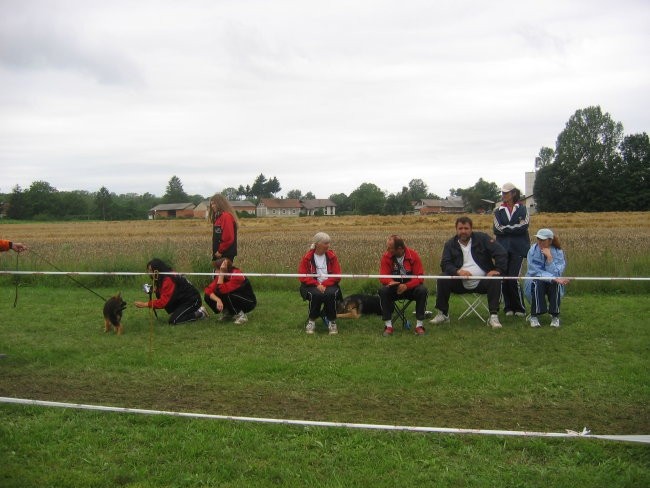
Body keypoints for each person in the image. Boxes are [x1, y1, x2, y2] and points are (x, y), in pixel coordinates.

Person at [430, 216, 507, 328]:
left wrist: (497, 270)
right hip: (459, 282)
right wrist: (458, 272)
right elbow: (445, 264)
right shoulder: (450, 244)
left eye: (466, 228)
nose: (463, 231)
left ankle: (493, 316)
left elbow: (501, 252)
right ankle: (443, 314)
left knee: (495, 279)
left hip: (483, 281)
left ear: (471, 229)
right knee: (443, 278)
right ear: (456, 229)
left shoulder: (483, 239)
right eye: (460, 228)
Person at [378, 235, 429, 336]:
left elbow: (420, 277)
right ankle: (388, 326)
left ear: (400, 249)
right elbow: (382, 276)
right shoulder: (386, 257)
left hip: (411, 289)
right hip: (394, 288)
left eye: (390, 248)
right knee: (383, 290)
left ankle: (419, 326)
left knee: (422, 290)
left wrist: (407, 286)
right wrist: (391, 282)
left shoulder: (413, 255)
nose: (387, 250)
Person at [493, 182, 530, 317]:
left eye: (506, 193)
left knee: (513, 278)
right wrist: (514, 227)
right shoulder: (498, 211)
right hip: (502, 250)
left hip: (519, 249)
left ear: (513, 193)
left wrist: (506, 229)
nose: (504, 195)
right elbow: (496, 229)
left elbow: (524, 226)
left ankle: (519, 307)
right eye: (502, 193)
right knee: (504, 278)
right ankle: (508, 307)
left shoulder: (523, 209)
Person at [134, 258, 208, 325]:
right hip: (182, 299)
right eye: (148, 270)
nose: (149, 273)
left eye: (151, 270)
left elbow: (163, 302)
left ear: (157, 270)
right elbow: (164, 291)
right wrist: (153, 289)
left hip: (192, 300)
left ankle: (200, 313)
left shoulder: (168, 279)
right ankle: (179, 312)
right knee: (159, 294)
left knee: (174, 321)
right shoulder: (163, 276)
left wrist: (145, 304)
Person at [298, 232, 341, 335]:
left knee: (330, 294)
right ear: (317, 244)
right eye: (325, 243)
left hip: (329, 284)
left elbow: (337, 275)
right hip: (311, 285)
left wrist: (325, 284)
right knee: (316, 295)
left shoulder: (332, 256)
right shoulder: (307, 257)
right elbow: (302, 276)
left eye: (329, 243)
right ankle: (311, 321)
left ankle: (332, 322)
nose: (328, 245)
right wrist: (317, 284)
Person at [524, 228, 569, 328]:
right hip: (534, 278)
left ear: (550, 240)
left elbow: (557, 272)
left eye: (543, 240)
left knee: (555, 285)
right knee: (537, 283)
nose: (539, 242)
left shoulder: (558, 252)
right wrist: (552, 278)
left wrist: (549, 258)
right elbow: (534, 270)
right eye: (538, 239)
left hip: (553, 279)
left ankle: (555, 316)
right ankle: (534, 316)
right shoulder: (532, 250)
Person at [204, 258, 257, 324]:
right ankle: (228, 314)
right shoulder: (221, 276)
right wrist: (218, 300)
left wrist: (221, 274)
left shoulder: (237, 275)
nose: (215, 271)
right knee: (207, 296)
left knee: (227, 294)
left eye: (218, 269)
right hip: (234, 296)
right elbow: (208, 290)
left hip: (248, 301)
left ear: (224, 269)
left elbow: (222, 290)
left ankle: (241, 316)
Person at [208, 194, 238, 266]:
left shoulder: (226, 216)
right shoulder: (219, 217)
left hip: (224, 254)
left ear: (220, 203)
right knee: (219, 276)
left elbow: (228, 237)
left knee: (221, 276)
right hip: (221, 254)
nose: (212, 206)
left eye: (214, 203)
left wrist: (220, 251)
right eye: (211, 204)